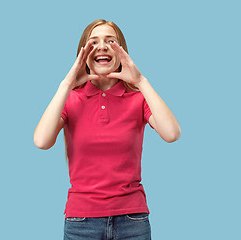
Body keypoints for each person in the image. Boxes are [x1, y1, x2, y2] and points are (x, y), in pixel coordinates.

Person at [34, 19, 181, 240]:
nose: (102, 46)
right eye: (93, 42)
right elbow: (42, 141)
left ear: (122, 52)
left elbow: (172, 134)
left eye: (110, 41)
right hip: (80, 222)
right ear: (83, 54)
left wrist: (140, 81)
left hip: (132, 220)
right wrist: (67, 85)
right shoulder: (70, 99)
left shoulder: (138, 99)